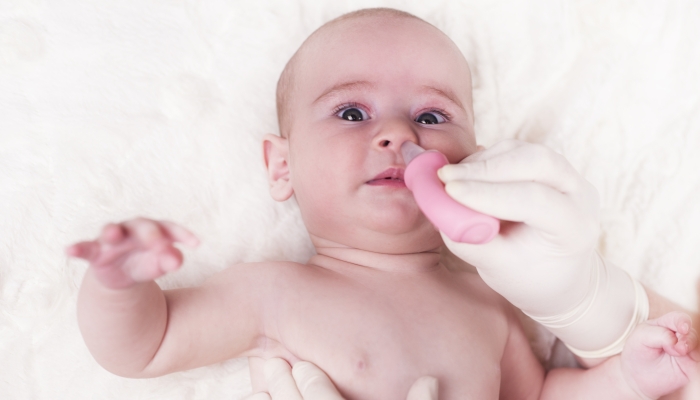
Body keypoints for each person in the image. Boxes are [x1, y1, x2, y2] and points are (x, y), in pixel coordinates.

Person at [67, 8, 699, 399]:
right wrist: (119, 284)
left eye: (431, 114)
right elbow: (145, 346)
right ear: (281, 166)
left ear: (475, 160)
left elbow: (539, 397)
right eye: (350, 112)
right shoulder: (274, 292)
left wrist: (625, 380)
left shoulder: (489, 301)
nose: (400, 134)